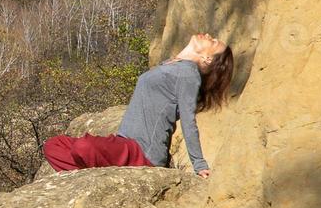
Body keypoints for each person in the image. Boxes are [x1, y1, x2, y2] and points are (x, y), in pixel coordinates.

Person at [43, 33, 235, 178]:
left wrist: (199, 164)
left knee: (84, 147)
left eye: (214, 42)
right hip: (122, 142)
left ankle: (95, 175)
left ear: (208, 59)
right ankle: (94, 174)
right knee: (53, 146)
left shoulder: (188, 74)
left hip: (141, 152)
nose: (209, 36)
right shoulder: (171, 65)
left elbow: (188, 120)